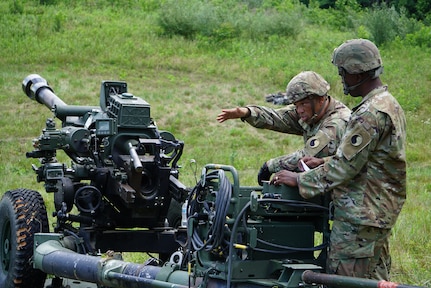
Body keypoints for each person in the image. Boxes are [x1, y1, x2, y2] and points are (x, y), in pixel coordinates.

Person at [272, 39, 406, 281]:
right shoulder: (388, 103)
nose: (341, 79)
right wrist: (324, 162)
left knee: (345, 280)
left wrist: (300, 179)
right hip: (377, 212)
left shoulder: (369, 114)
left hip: (360, 214)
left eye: (343, 72)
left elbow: (344, 168)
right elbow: (370, 159)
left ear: (357, 72)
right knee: (373, 280)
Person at [217, 71, 351, 185]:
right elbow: (279, 117)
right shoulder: (314, 111)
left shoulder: (337, 122)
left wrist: (270, 166)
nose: (299, 110)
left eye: (303, 104)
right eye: (296, 105)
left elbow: (308, 156)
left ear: (320, 99)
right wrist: (248, 112)